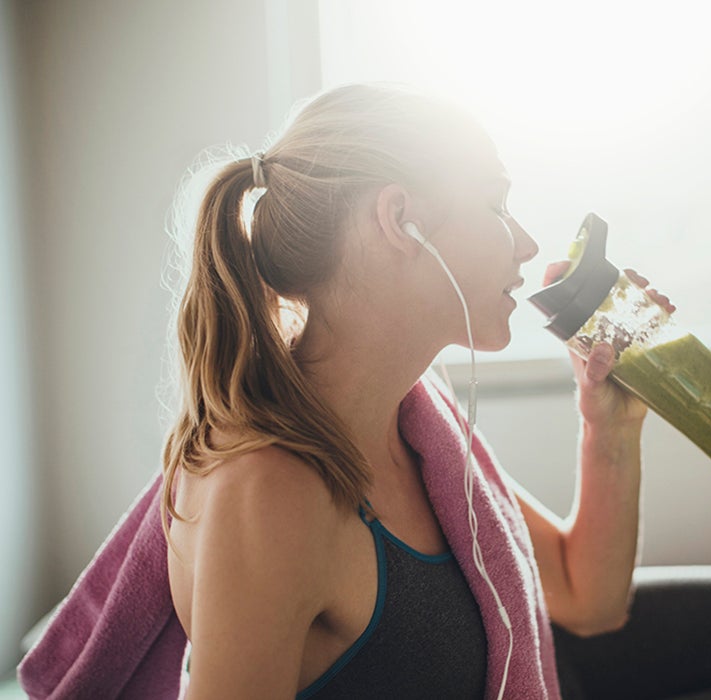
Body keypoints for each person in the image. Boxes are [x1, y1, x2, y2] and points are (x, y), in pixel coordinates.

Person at [161, 82, 668, 698]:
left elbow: (590, 601)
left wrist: (610, 426)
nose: (528, 244)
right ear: (400, 220)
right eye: (496, 203)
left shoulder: (418, 428)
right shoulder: (271, 488)